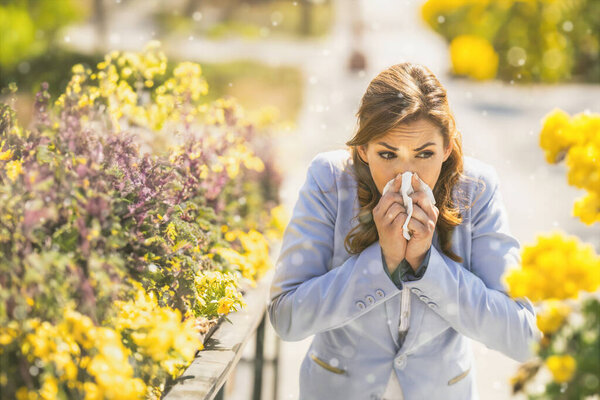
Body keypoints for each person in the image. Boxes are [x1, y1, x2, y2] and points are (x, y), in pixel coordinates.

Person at [267, 62, 541, 400]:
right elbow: (286, 317)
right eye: (388, 154)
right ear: (362, 150)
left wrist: (427, 266)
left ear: (447, 148)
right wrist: (383, 262)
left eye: (424, 154)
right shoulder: (330, 180)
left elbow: (523, 337)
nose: (406, 174)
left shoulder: (477, 189)